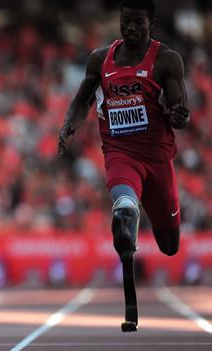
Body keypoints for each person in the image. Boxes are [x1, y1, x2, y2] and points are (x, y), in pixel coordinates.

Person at [58, 0, 190, 330]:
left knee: (170, 246)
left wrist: (179, 114)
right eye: (125, 21)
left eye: (138, 22)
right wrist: (69, 124)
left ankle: (130, 215)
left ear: (152, 23)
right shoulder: (100, 60)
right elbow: (82, 99)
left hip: (157, 159)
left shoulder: (166, 60)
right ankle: (126, 211)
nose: (130, 27)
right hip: (120, 152)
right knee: (124, 201)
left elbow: (179, 107)